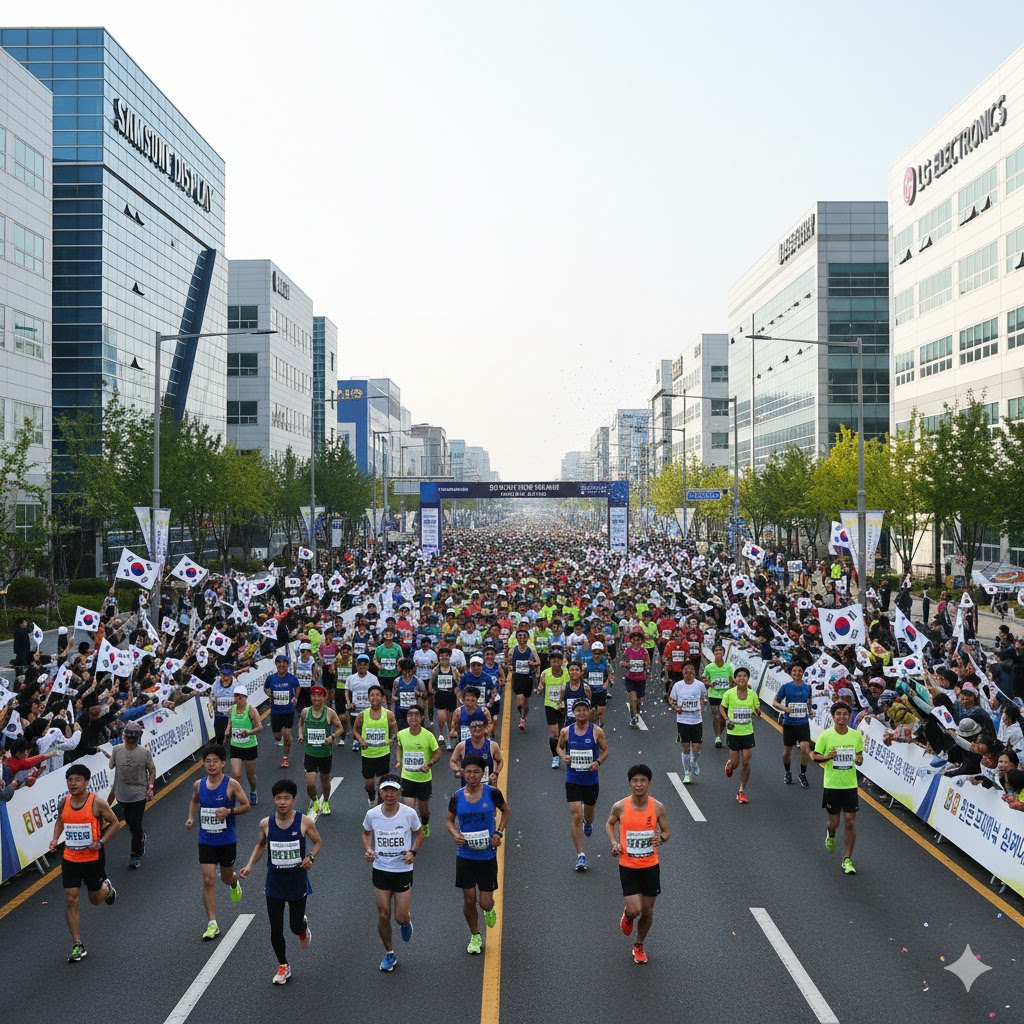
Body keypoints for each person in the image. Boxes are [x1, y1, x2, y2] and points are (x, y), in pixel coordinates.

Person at [239, 777, 322, 984]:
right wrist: (249, 866)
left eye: (286, 798)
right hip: (274, 883)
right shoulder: (266, 823)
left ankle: (303, 926)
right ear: (274, 800)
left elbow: (318, 842)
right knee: (276, 928)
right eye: (278, 798)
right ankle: (283, 965)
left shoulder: (304, 821)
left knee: (294, 926)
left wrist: (310, 857)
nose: (282, 802)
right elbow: (260, 845)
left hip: (296, 881)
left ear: (294, 799)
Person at [51, 764, 120, 962]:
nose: (73, 784)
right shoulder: (63, 802)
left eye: (77, 780)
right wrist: (56, 839)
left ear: (86, 782)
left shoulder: (97, 803)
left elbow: (115, 823)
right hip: (70, 858)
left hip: (93, 858)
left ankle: (107, 889)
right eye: (70, 780)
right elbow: (60, 821)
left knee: (94, 899)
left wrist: (101, 842)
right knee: (71, 898)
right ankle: (77, 944)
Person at [185, 743, 251, 940]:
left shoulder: (231, 785)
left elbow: (246, 805)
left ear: (223, 763)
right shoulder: (199, 784)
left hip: (226, 840)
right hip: (205, 839)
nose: (211, 765)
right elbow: (195, 800)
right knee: (208, 880)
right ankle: (212, 922)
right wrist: (190, 817)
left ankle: (233, 883)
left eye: (215, 761)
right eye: (207, 762)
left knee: (225, 877)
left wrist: (229, 811)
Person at [605, 764, 669, 965]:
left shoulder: (657, 807)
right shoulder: (620, 806)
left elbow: (666, 831)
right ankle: (627, 916)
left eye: (643, 780)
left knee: (648, 911)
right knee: (635, 909)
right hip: (628, 865)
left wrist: (662, 838)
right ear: (629, 783)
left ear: (649, 783)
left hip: (650, 865)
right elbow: (609, 823)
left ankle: (639, 944)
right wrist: (614, 842)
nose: (639, 785)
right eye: (635, 781)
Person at [446, 754, 510, 955]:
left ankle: (489, 909)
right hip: (465, 855)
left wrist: (498, 832)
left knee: (485, 901)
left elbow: (506, 811)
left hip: (487, 856)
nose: (472, 776)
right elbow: (449, 820)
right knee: (468, 899)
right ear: (463, 773)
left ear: (483, 773)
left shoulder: (492, 793)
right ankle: (475, 935)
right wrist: (456, 834)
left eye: (476, 772)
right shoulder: (456, 797)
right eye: (468, 772)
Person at [362, 773, 424, 971]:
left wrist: (413, 852)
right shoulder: (373, 814)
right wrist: (369, 849)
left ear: (400, 792)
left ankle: (406, 922)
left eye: (393, 790)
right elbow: (366, 832)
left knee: (400, 917)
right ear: (380, 792)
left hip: (403, 869)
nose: (389, 794)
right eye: (386, 790)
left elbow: (419, 832)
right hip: (381, 869)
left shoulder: (409, 813)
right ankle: (389, 953)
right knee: (383, 914)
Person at [811, 700, 864, 875]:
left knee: (850, 819)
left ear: (849, 716)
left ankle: (847, 858)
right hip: (832, 784)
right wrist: (828, 756)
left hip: (850, 784)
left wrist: (859, 759)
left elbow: (859, 756)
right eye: (838, 714)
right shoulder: (826, 736)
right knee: (834, 822)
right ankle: (830, 833)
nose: (842, 717)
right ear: (833, 717)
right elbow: (814, 756)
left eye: (845, 714)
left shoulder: (856, 736)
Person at [556, 697, 608, 871]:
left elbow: (605, 750)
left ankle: (589, 822)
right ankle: (581, 856)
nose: (581, 713)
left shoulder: (596, 731)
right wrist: (563, 756)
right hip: (573, 779)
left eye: (584, 710)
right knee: (576, 815)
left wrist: (598, 762)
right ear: (573, 712)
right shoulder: (566, 731)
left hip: (591, 780)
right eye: (578, 710)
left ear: (589, 711)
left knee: (588, 815)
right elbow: (559, 747)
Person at [108, 720, 155, 869]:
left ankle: (135, 855)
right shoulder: (116, 750)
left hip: (138, 795)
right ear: (124, 737)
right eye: (128, 737)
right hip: (122, 795)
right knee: (129, 822)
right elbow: (111, 765)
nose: (130, 740)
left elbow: (152, 770)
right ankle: (141, 836)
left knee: (135, 825)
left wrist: (150, 786)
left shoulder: (144, 753)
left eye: (132, 737)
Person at [396, 704, 442, 836]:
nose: (413, 717)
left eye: (416, 715)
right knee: (409, 808)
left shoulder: (428, 736)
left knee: (424, 811)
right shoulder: (401, 734)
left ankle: (425, 823)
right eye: (410, 714)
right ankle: (413, 828)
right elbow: (399, 746)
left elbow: (437, 752)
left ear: (422, 718)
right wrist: (399, 760)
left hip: (424, 779)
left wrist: (430, 763)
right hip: (407, 777)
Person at [298, 685, 343, 815]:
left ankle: (326, 801)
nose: (316, 698)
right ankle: (315, 800)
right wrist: (301, 735)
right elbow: (300, 723)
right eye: (313, 696)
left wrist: (332, 736)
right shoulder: (306, 712)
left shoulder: (329, 713)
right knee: (310, 784)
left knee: (325, 781)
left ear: (324, 697)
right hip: (310, 752)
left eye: (319, 696)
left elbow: (340, 728)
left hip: (324, 753)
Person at [720, 666, 761, 804]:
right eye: (739, 676)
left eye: (744, 676)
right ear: (735, 679)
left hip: (747, 732)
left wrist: (758, 712)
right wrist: (727, 719)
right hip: (733, 733)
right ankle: (730, 764)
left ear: (747, 678)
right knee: (736, 764)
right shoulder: (729, 694)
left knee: (746, 762)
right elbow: (722, 707)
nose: (741, 678)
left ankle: (741, 791)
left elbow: (756, 708)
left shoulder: (753, 694)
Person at [355, 685, 397, 806]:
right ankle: (371, 796)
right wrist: (361, 741)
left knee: (381, 783)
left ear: (383, 698)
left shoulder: (388, 714)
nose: (375, 697)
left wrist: (391, 739)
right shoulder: (363, 715)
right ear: (368, 698)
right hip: (367, 754)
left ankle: (378, 808)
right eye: (372, 695)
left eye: (378, 695)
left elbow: (395, 730)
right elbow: (355, 730)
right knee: (369, 784)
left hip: (383, 754)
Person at [772, 662, 812, 788]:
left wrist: (810, 711)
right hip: (789, 724)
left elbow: (809, 701)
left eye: (799, 671)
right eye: (794, 671)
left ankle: (802, 773)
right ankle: (788, 772)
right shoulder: (785, 687)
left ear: (803, 673)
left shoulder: (807, 688)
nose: (797, 673)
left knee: (806, 749)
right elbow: (775, 702)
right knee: (787, 751)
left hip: (803, 723)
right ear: (791, 673)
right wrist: (784, 709)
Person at [668, 662, 707, 784]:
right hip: (683, 721)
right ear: (682, 672)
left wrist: (702, 709)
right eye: (686, 670)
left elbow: (704, 698)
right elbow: (671, 699)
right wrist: (676, 708)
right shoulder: (678, 686)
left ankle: (694, 762)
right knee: (685, 748)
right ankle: (687, 773)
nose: (688, 672)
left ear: (695, 673)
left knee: (696, 748)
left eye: (691, 670)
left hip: (696, 720)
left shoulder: (700, 685)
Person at [229, 684, 263, 805]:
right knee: (236, 774)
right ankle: (235, 797)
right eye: (236, 696)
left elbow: (260, 727)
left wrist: (248, 732)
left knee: (250, 775)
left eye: (240, 696)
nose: (237, 698)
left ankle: (253, 791)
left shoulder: (251, 710)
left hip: (249, 746)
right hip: (235, 745)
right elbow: (230, 721)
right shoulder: (232, 709)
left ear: (245, 697)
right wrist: (228, 729)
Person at [265, 654, 299, 768]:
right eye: (279, 662)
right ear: (276, 665)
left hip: (288, 711)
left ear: (287, 665)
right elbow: (266, 687)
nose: (281, 665)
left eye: (284, 663)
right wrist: (268, 693)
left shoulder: (292, 678)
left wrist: (295, 698)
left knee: (287, 734)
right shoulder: (271, 678)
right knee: (277, 737)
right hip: (275, 712)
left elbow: (297, 687)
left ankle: (285, 758)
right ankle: (284, 737)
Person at [449, 718, 504, 786]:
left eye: (480, 726)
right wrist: (458, 770)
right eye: (473, 726)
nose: (477, 729)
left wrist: (496, 773)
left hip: (487, 787)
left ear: (485, 728)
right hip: (468, 788)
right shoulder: (462, 746)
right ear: (469, 729)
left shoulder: (492, 745)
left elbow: (500, 761)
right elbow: (452, 761)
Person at [539, 647, 568, 768]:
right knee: (555, 734)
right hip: (550, 706)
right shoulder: (545, 673)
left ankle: (566, 754)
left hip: (563, 706)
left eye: (558, 660)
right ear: (550, 662)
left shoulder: (567, 672)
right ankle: (555, 757)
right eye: (553, 661)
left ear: (562, 661)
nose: (556, 663)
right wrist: (540, 688)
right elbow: (541, 685)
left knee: (564, 732)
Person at [701, 643, 734, 748]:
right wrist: (710, 684)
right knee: (717, 715)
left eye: (720, 651)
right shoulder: (709, 667)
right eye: (716, 651)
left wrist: (732, 686)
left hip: (726, 695)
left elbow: (731, 680)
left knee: (724, 718)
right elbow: (704, 680)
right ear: (713, 653)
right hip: (714, 695)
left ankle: (720, 733)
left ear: (723, 653)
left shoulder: (728, 666)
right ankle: (718, 737)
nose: (718, 652)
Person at [508, 626, 540, 731]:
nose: (522, 638)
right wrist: (510, 667)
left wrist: (533, 663)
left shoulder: (531, 649)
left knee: (525, 702)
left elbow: (538, 662)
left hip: (528, 678)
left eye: (524, 636)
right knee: (520, 701)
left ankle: (523, 715)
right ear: (516, 638)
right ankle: (521, 719)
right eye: (520, 636)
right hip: (517, 678)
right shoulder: (513, 650)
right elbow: (508, 663)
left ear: (527, 638)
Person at [431, 646, 461, 750]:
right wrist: (432, 691)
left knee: (450, 721)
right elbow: (432, 682)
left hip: (451, 697)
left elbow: (459, 682)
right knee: (441, 720)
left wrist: (458, 691)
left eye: (446, 656)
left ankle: (450, 742)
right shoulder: (436, 669)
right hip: (440, 697)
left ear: (449, 657)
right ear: (439, 658)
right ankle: (444, 737)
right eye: (442, 656)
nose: (444, 658)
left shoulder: (454, 670)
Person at [622, 630, 651, 728]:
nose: (636, 642)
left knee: (638, 701)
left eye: (638, 640)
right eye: (633, 640)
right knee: (633, 697)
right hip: (630, 678)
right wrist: (627, 664)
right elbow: (621, 662)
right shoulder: (628, 651)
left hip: (641, 679)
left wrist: (645, 665)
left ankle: (636, 713)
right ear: (630, 641)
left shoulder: (644, 651)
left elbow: (648, 664)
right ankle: (633, 717)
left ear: (641, 641)